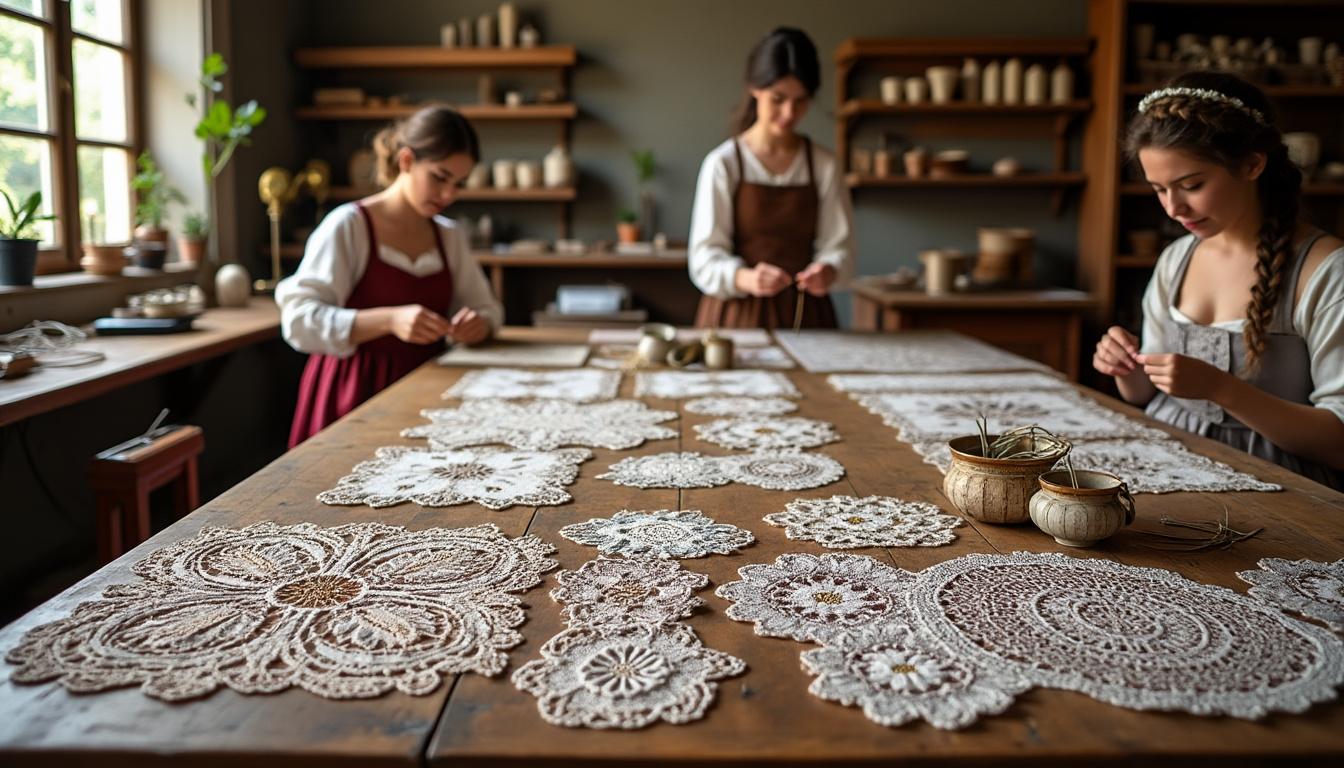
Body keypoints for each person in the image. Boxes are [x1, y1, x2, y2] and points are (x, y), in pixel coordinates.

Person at [1093, 71, 1344, 488]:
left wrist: (1222, 389)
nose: (1174, 208)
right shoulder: (1177, 258)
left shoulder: (1325, 271)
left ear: (1252, 164)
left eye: (1191, 185)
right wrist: (1125, 368)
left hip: (1278, 488)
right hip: (1164, 468)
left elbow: (1339, 442)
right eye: (1159, 189)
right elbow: (1144, 396)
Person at [277, 105, 503, 447]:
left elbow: (488, 309)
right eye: (440, 178)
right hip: (352, 400)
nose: (448, 195)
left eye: (458, 184)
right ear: (407, 161)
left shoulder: (449, 236)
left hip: (428, 396)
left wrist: (479, 324)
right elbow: (298, 321)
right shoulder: (349, 226)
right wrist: (389, 320)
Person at [688, 27, 855, 329]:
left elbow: (840, 247)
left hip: (807, 317)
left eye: (800, 101)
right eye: (778, 99)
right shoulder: (724, 164)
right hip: (736, 319)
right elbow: (704, 257)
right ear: (754, 89)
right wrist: (744, 277)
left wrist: (828, 270)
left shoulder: (824, 165)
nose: (789, 112)